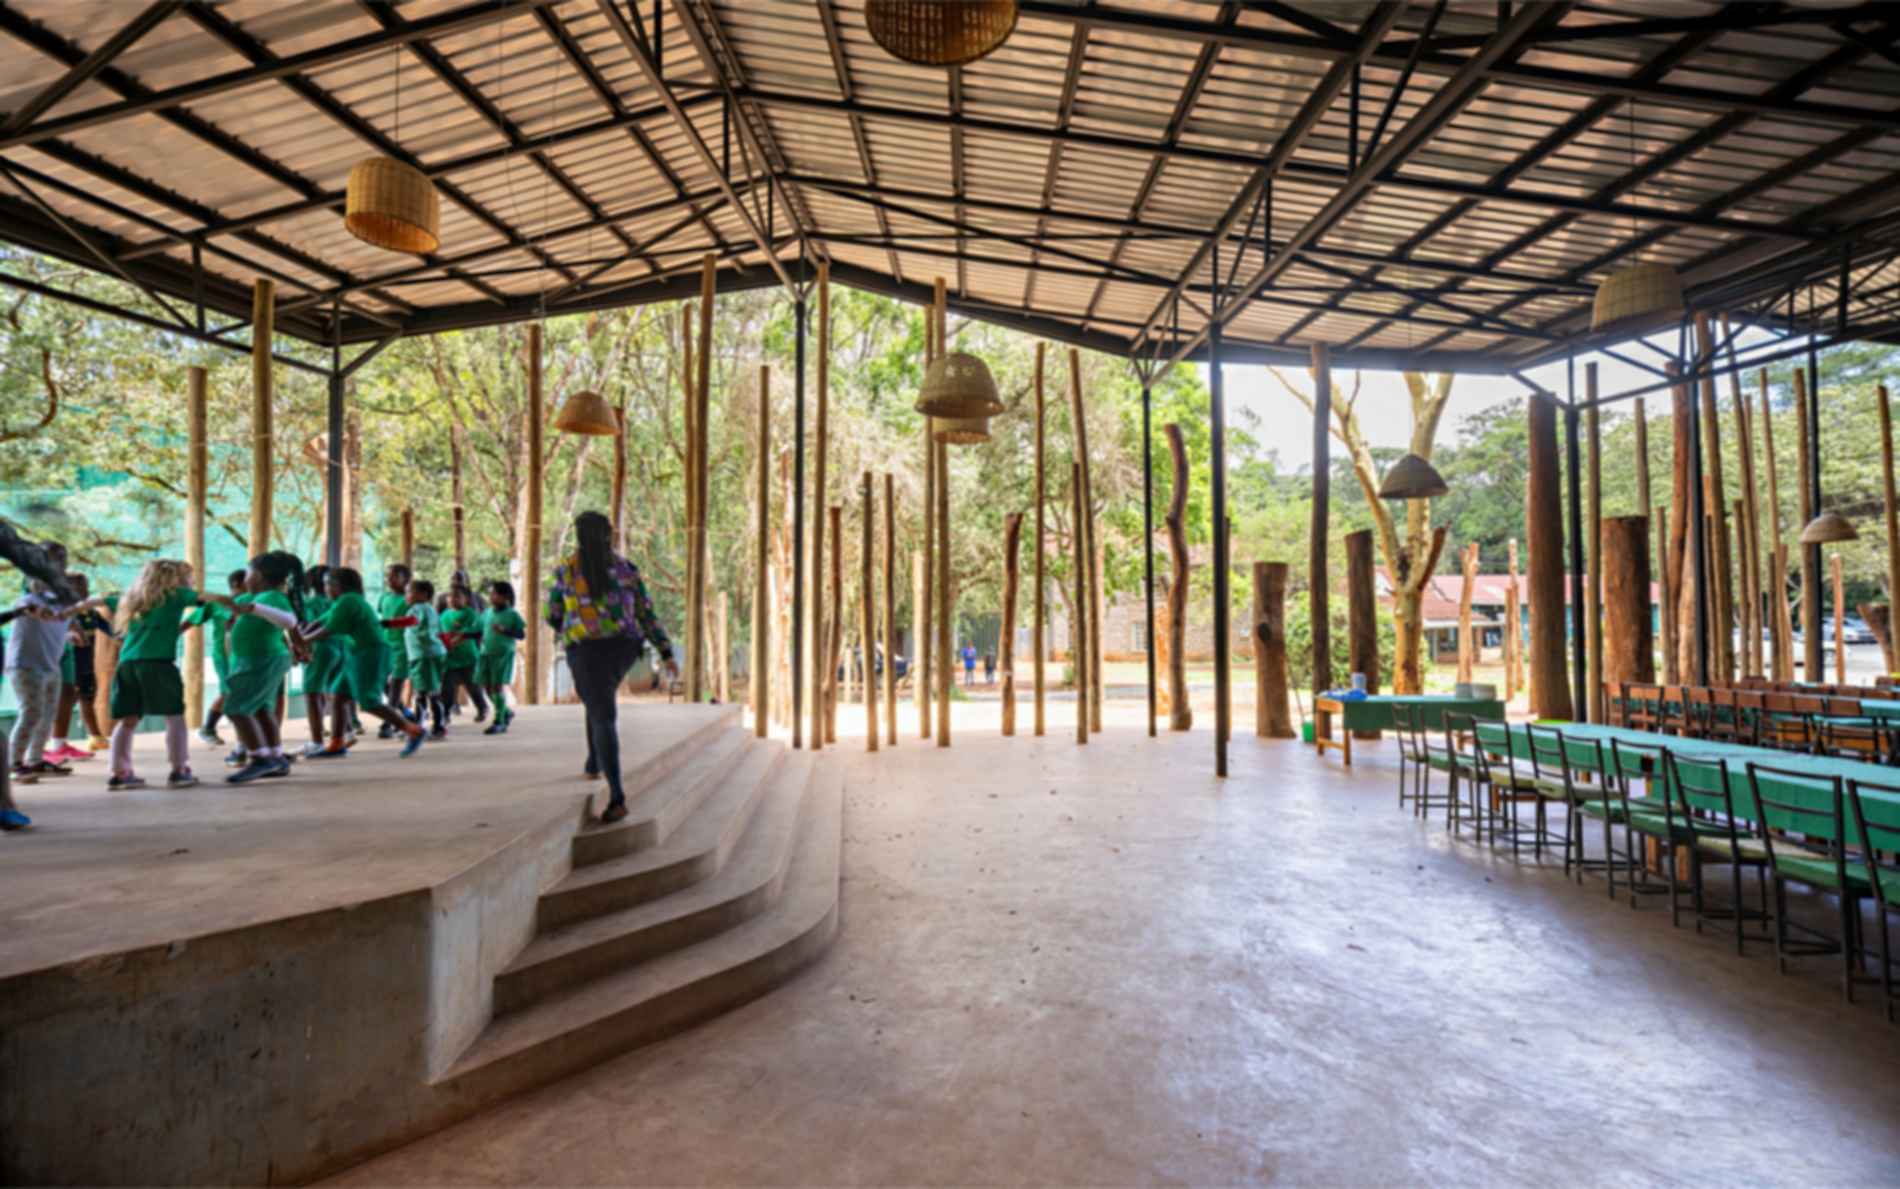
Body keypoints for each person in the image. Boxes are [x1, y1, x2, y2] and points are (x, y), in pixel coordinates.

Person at [547, 511, 675, 822]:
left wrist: (573, 626)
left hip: (585, 650)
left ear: (578, 536)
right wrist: (665, 651)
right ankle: (593, 761)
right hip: (623, 647)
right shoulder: (626, 569)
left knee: (601, 712)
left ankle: (617, 796)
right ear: (609, 535)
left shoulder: (567, 571)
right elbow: (646, 613)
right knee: (598, 701)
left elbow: (552, 614)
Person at [106, 559, 238, 790]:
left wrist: (69, 611)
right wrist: (237, 605)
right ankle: (180, 770)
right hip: (158, 664)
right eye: (189, 577)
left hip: (127, 665)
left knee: (127, 720)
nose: (192, 582)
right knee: (174, 716)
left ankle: (120, 773)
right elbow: (210, 597)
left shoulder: (132, 599)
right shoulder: (176, 595)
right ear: (175, 578)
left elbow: (95, 601)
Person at [297, 567, 425, 758]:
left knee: (369, 702)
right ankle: (336, 743)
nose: (326, 589)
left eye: (328, 584)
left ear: (338, 585)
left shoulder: (349, 601)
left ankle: (413, 730)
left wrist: (302, 640)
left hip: (370, 653)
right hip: (356, 653)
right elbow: (320, 622)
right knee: (339, 696)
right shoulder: (342, 602)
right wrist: (300, 637)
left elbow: (328, 630)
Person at [9, 545, 99, 781]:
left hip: (51, 665)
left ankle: (35, 760)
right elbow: (36, 613)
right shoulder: (27, 600)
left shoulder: (62, 604)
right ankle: (13, 763)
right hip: (25, 665)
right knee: (31, 713)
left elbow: (64, 624)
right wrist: (50, 615)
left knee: (48, 714)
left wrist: (73, 633)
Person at [223, 552, 305, 785]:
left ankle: (260, 758)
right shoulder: (254, 597)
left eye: (248, 573)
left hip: (261, 660)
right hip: (257, 659)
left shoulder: (272, 596)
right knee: (260, 708)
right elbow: (231, 606)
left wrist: (254, 609)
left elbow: (289, 621)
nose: (245, 578)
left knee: (236, 708)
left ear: (259, 575)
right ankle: (276, 757)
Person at [48, 573, 112, 763]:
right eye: (80, 588)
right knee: (66, 701)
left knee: (87, 697)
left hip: (86, 663)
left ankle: (95, 737)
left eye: (86, 587)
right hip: (68, 665)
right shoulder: (63, 613)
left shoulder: (91, 613)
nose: (86, 591)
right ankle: (56, 743)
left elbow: (112, 631)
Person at [183, 569, 247, 751]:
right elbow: (190, 620)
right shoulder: (217, 603)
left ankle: (215, 729)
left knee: (237, 692)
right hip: (224, 655)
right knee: (230, 691)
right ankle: (210, 728)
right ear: (237, 584)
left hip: (245, 654)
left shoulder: (252, 602)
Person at [298, 565, 344, 757]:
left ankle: (316, 741)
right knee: (335, 694)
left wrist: (300, 643)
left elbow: (309, 625)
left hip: (320, 649)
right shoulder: (336, 602)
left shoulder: (311, 603)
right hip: (340, 648)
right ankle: (341, 736)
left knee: (312, 694)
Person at [478, 580, 525, 736]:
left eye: (495, 594)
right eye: (491, 594)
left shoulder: (512, 614)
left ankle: (499, 721)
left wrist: (505, 630)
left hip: (503, 654)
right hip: (486, 653)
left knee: (497, 686)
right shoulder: (487, 613)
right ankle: (505, 711)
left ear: (505, 597)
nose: (491, 597)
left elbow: (521, 634)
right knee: (486, 686)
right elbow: (478, 629)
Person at [404, 578, 449, 737]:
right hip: (432, 654)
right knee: (430, 690)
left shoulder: (418, 609)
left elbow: (412, 622)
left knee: (423, 693)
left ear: (423, 594)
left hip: (424, 656)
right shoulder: (431, 610)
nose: (406, 595)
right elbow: (441, 633)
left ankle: (427, 727)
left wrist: (388, 623)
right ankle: (434, 725)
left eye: (410, 592)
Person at [439, 585, 486, 725]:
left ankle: (482, 708)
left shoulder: (470, 613)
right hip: (450, 659)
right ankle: (445, 713)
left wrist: (458, 639)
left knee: (473, 686)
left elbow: (475, 630)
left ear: (466, 599)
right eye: (450, 596)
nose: (452, 599)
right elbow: (440, 633)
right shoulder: (444, 615)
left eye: (457, 596)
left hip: (468, 658)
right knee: (447, 688)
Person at [375, 564, 412, 737]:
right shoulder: (384, 597)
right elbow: (382, 615)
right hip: (385, 645)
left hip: (403, 647)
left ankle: (388, 723)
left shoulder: (409, 599)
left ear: (405, 579)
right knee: (382, 681)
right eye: (388, 576)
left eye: (394, 576)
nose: (389, 580)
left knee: (396, 683)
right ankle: (403, 712)